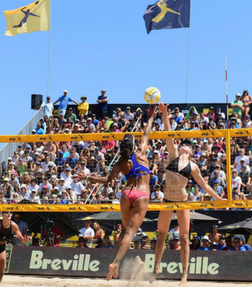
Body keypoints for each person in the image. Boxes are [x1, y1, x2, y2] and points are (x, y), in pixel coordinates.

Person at [73, 103, 159, 281]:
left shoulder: (120, 163)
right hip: (141, 195)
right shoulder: (141, 153)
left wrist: (87, 178)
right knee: (129, 234)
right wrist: (151, 117)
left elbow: (106, 181)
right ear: (133, 145)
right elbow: (146, 132)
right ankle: (115, 262)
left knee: (123, 233)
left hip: (126, 194)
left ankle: (117, 266)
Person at [151, 104, 226, 286]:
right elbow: (168, 134)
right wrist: (165, 113)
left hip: (183, 202)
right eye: (183, 144)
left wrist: (218, 199)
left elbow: (204, 185)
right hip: (168, 200)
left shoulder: (193, 166)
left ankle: (184, 275)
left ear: (192, 152)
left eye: (188, 145)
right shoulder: (172, 155)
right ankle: (156, 266)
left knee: (184, 238)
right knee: (161, 234)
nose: (184, 146)